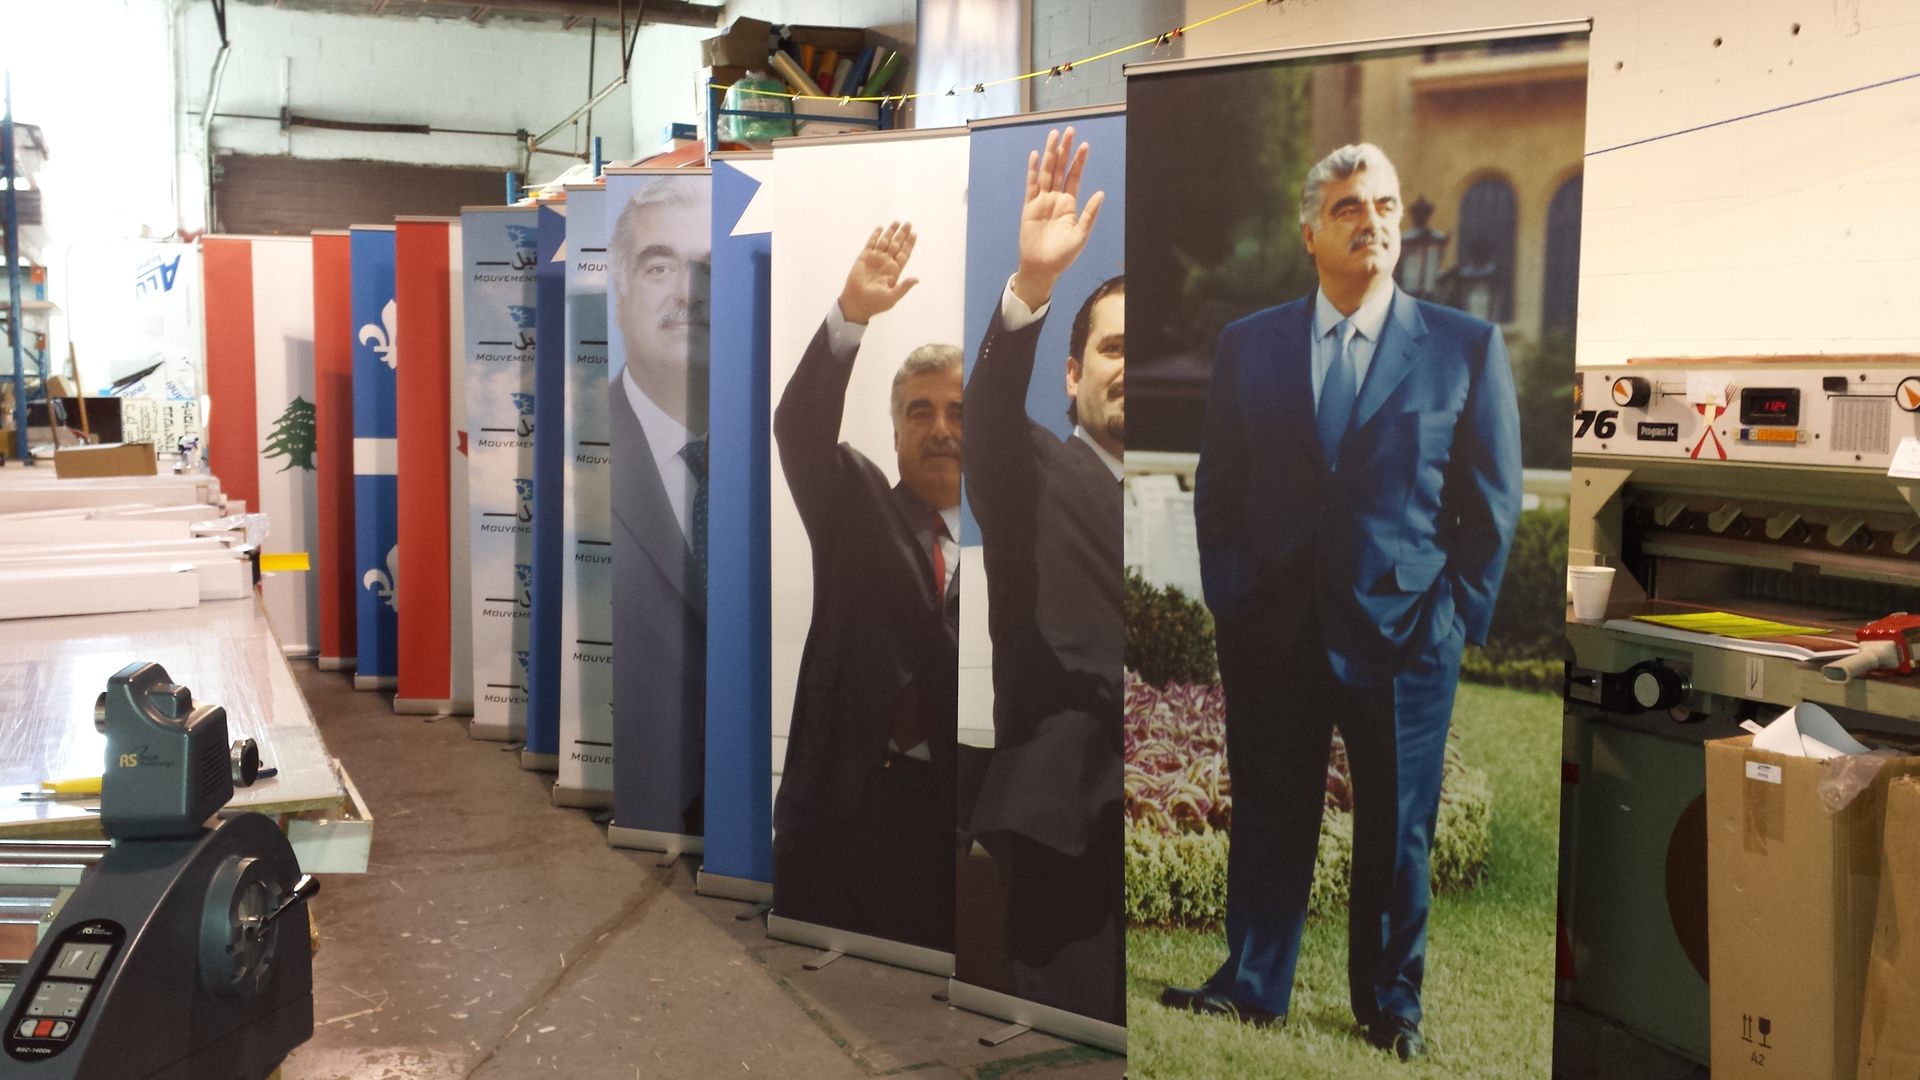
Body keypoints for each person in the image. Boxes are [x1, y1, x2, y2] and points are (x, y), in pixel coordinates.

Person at [1161, 143, 1522, 1062]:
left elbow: (1491, 504)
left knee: (1397, 829)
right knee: (1273, 811)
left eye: (1389, 205)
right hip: (1273, 626)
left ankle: (1389, 1007)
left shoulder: (1463, 347)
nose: (1375, 221)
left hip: (1405, 637)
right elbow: (1222, 491)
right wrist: (1232, 598)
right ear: (1311, 230)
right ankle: (1252, 986)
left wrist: (1453, 622)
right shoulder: (1250, 345)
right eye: (1353, 206)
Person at [962, 128, 1124, 1022]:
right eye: (1112, 349)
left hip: (1183, 829)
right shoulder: (1028, 473)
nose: (1132, 367)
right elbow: (986, 413)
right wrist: (1031, 286)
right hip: (1065, 822)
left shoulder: (1196, 510)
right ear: (1071, 376)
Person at [772, 222, 962, 952]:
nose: (941, 429)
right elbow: (799, 427)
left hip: (946, 827)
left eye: (959, 413)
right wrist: (848, 316)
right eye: (922, 411)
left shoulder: (1014, 543)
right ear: (894, 431)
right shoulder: (855, 503)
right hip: (838, 823)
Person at [608, 176, 712, 842]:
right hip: (643, 814)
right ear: (620, 288)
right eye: (658, 266)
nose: (685, 292)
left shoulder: (772, 447)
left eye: (704, 269)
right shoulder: (582, 455)